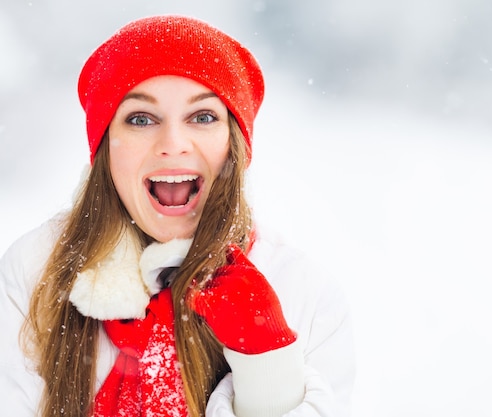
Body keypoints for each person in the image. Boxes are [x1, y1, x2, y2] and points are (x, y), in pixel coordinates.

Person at [0, 15, 355, 417]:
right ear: (105, 149)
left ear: (233, 146)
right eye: (140, 119)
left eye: (202, 117)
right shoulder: (34, 274)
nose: (172, 144)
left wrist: (266, 361)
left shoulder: (304, 294)